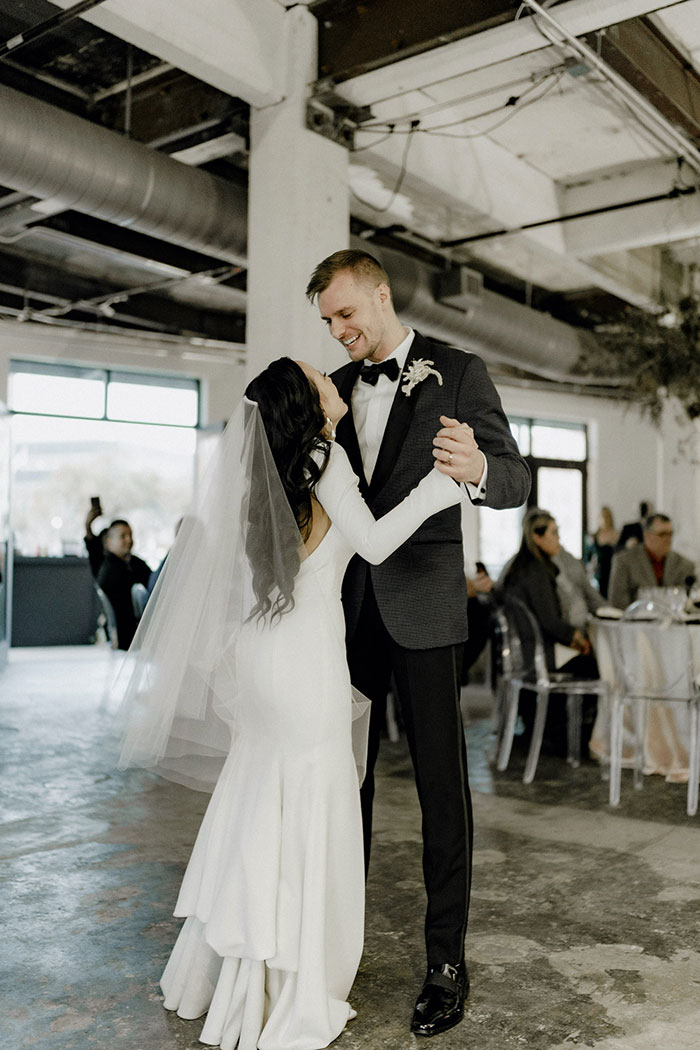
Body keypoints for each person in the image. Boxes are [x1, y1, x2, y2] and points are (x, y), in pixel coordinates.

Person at [117, 357, 467, 1050]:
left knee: (261, 799)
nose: (333, 381)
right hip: (306, 659)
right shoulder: (323, 457)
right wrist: (438, 488)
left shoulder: (266, 472)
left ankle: (238, 972)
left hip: (262, 653)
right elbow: (369, 542)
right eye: (321, 381)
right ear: (308, 403)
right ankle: (295, 980)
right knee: (311, 805)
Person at [306, 249, 531, 1037]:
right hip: (345, 613)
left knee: (443, 791)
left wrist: (476, 470)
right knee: (345, 783)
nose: (339, 332)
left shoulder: (459, 369)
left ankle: (445, 962)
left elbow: (515, 477)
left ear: (379, 292)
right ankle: (334, 941)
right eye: (328, 322)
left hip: (428, 609)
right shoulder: (333, 389)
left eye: (345, 314)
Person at [501, 510, 599, 754]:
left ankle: (551, 729)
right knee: (595, 667)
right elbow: (548, 620)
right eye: (554, 533)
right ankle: (568, 736)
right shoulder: (536, 571)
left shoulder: (519, 566)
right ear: (537, 537)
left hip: (526, 651)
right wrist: (575, 636)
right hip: (539, 653)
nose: (559, 540)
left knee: (584, 660)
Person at [609, 512, 695, 609]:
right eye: (662, 534)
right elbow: (618, 604)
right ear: (647, 536)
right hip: (636, 622)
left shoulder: (685, 565)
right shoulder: (625, 562)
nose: (668, 539)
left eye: (670, 534)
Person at [96, 520, 151, 649]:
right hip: (129, 635)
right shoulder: (114, 570)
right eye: (123, 536)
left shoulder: (129, 563)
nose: (129, 540)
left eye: (130, 535)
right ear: (109, 542)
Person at [589, 505, 619, 599]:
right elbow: (589, 556)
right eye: (603, 516)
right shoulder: (594, 536)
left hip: (613, 568)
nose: (605, 519)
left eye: (607, 516)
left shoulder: (617, 534)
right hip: (599, 570)